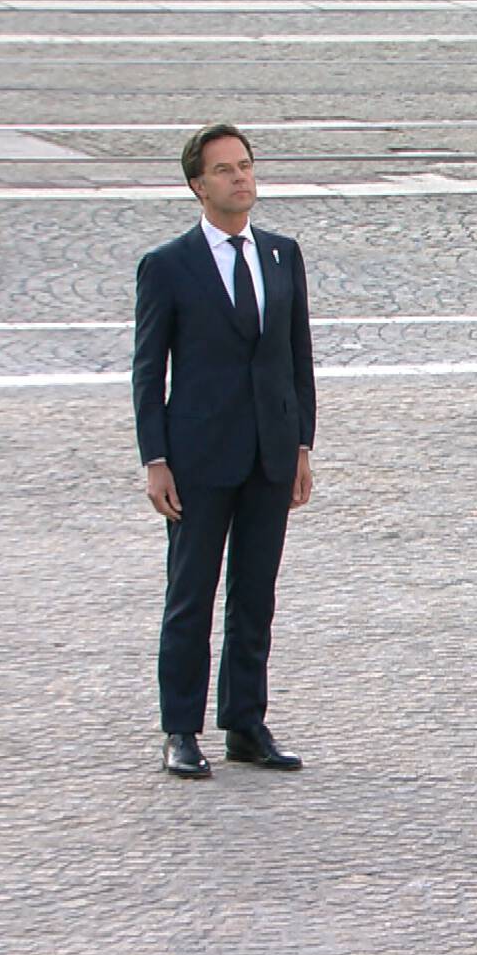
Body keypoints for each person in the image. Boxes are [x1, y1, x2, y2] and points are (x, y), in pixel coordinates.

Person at [132, 123, 315, 778]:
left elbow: (298, 358)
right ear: (198, 186)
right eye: (226, 170)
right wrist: (155, 458)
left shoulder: (280, 255)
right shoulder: (168, 265)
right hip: (199, 458)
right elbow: (149, 370)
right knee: (191, 595)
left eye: (246, 166)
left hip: (270, 453)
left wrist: (301, 444)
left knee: (254, 594)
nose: (242, 178)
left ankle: (245, 721)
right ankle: (181, 728)